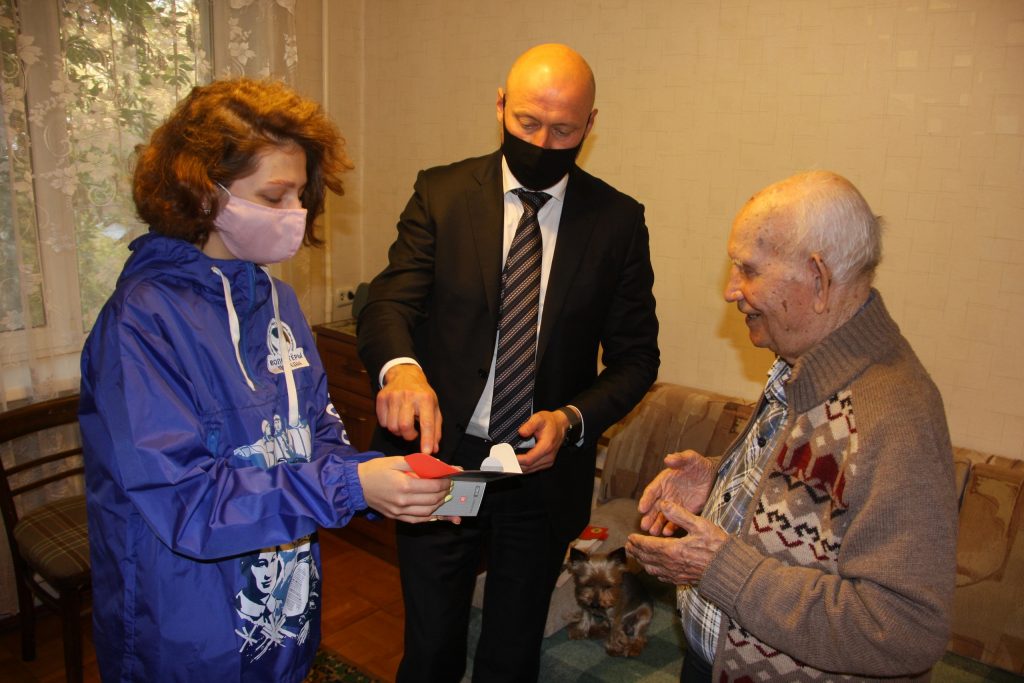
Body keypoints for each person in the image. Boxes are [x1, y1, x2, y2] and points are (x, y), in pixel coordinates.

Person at [79, 78, 453, 683]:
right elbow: (187, 503)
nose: (295, 214)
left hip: (283, 611)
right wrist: (351, 486)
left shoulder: (279, 302)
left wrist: (387, 480)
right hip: (187, 624)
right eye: (274, 196)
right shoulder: (141, 321)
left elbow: (316, 438)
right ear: (204, 193)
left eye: (301, 194)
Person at [357, 43, 660, 682]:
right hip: (442, 458)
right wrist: (402, 368)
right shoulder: (442, 193)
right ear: (499, 106)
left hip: (539, 472)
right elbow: (389, 302)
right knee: (431, 646)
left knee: (512, 652)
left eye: (564, 131)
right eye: (527, 122)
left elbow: (636, 358)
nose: (543, 143)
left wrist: (571, 419)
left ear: (591, 124)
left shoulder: (617, 221)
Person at [626, 171, 958, 681]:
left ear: (818, 280)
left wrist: (721, 569)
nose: (730, 291)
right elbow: (819, 497)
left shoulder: (895, 416)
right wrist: (719, 478)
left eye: (748, 269)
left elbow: (904, 630)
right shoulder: (806, 360)